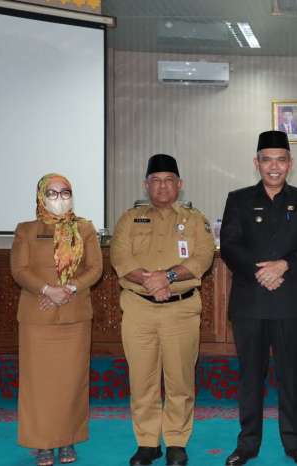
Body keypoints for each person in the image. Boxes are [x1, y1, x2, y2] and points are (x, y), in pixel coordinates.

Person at [220, 130, 297, 466]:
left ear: (290, 163)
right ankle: (246, 444)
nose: (274, 166)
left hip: (289, 303)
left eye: (280, 160)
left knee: (291, 377)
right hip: (250, 303)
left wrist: (284, 266)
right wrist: (260, 271)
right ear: (256, 163)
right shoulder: (238, 199)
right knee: (250, 378)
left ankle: (296, 443)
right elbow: (230, 245)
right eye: (267, 160)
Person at [110, 154, 215, 466]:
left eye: (169, 180)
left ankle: (176, 441)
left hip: (180, 310)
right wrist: (151, 281)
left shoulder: (195, 220)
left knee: (180, 380)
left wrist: (166, 277)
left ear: (179, 184)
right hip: (138, 309)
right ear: (146, 185)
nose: (162, 186)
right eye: (155, 180)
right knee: (142, 380)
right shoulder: (130, 219)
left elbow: (203, 257)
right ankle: (147, 442)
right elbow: (120, 258)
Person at [11, 173, 103, 466]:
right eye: (52, 193)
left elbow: (95, 268)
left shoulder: (85, 228)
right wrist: (47, 290)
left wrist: (70, 288)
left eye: (65, 192)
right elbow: (19, 270)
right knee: (38, 384)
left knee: (71, 382)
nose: (59, 198)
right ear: (41, 196)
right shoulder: (26, 230)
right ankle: (42, 444)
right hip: (37, 319)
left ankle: (67, 439)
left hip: (74, 316)